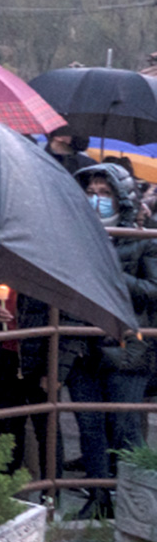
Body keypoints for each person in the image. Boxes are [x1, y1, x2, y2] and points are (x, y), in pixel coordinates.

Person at [66, 161, 157, 518]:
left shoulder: (145, 235)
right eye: (90, 193)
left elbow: (153, 290)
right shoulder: (72, 233)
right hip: (80, 342)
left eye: (104, 194)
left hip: (126, 347)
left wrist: (111, 274)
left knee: (123, 427)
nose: (96, 200)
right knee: (88, 426)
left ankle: (141, 508)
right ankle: (98, 498)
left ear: (122, 198)